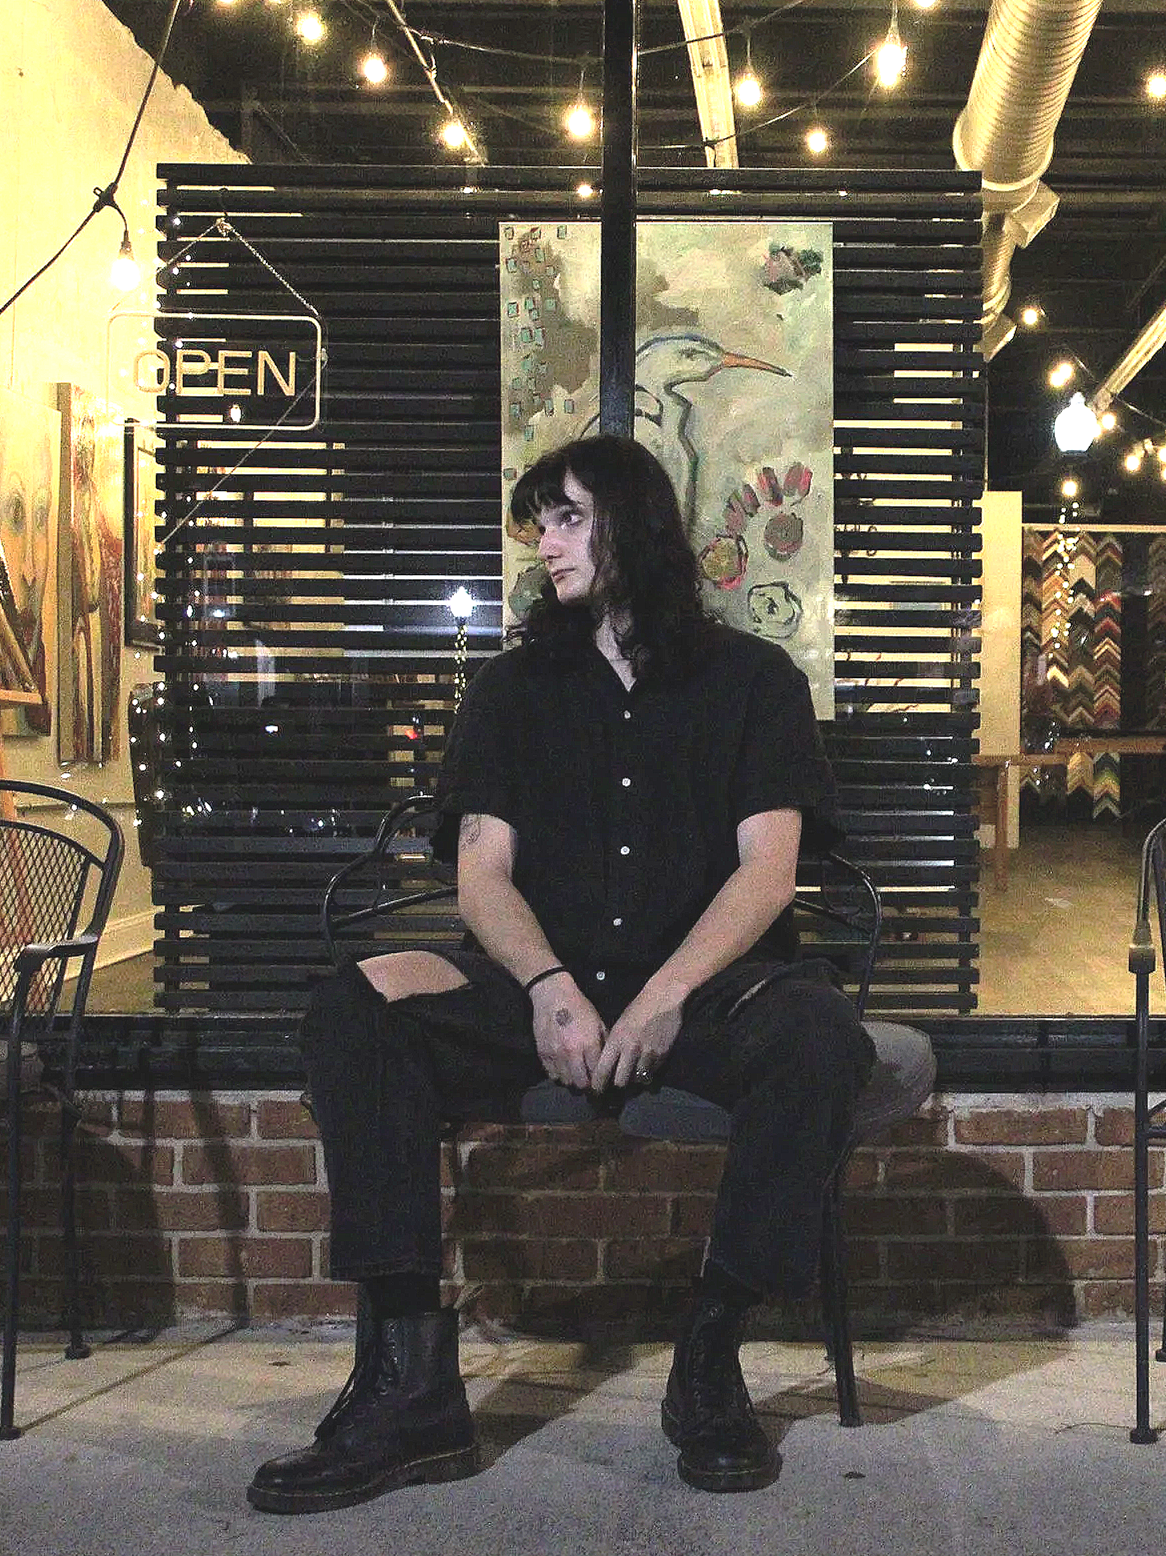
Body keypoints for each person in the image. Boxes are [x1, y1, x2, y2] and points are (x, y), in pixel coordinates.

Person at [249, 435, 874, 1512]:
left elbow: (769, 874)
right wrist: (546, 985)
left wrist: (666, 994)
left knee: (821, 1041)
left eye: (570, 516)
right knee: (357, 1010)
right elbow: (481, 874)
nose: (547, 541)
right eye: (541, 521)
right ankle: (409, 1387)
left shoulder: (754, 681)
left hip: (708, 988)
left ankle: (710, 1357)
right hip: (543, 987)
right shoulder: (510, 689)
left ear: (637, 526)